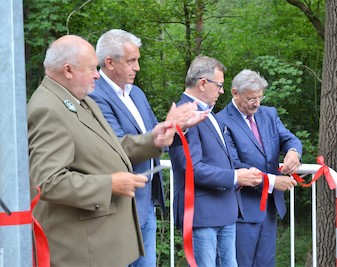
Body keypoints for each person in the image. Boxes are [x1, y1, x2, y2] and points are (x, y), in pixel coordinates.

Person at [27, 35, 204, 267]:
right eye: (91, 68)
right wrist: (109, 184)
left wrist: (154, 139)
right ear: (68, 70)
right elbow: (47, 182)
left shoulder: (81, 100)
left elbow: (112, 146)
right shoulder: (47, 109)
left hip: (104, 243)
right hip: (81, 252)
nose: (97, 74)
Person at [168, 56, 263, 267]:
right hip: (202, 214)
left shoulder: (209, 113)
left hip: (224, 210)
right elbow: (192, 169)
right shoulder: (185, 114)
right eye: (219, 85)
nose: (222, 91)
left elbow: (222, 160)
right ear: (203, 83)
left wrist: (244, 173)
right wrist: (236, 176)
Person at [89, 29, 165, 267]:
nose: (137, 68)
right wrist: (162, 135)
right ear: (109, 62)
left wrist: (175, 129)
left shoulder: (137, 94)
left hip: (144, 203)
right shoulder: (94, 95)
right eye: (132, 61)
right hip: (118, 207)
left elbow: (153, 131)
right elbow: (118, 148)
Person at [216, 69, 302, 267]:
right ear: (234, 93)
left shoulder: (269, 114)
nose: (257, 103)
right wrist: (273, 182)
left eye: (260, 97)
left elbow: (289, 138)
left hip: (269, 209)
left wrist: (293, 152)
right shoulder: (221, 121)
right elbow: (234, 164)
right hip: (241, 209)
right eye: (251, 98)